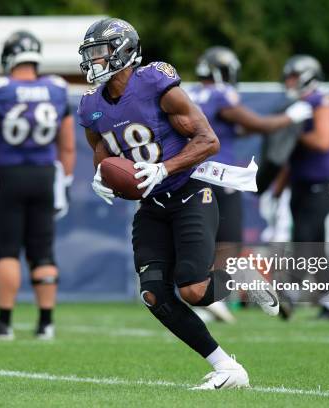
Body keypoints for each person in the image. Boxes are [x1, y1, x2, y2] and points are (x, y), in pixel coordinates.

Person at [78, 18, 277, 390]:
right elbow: (103, 149)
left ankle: (240, 278)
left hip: (189, 191)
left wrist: (164, 168)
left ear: (123, 51)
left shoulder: (155, 83)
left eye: (100, 53)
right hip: (152, 205)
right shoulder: (91, 105)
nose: (94, 61)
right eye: (90, 54)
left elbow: (208, 140)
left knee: (193, 290)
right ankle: (227, 368)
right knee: (154, 293)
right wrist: (101, 174)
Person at [0, 31, 75, 340]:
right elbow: (67, 147)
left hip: (9, 176)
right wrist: (64, 181)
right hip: (44, 177)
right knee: (43, 252)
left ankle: (4, 323)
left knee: (8, 252)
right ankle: (46, 324)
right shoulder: (55, 89)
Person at [188, 46, 312, 322]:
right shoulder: (221, 94)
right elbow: (257, 124)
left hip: (192, 175)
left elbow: (233, 128)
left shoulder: (188, 95)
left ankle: (205, 299)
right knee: (229, 241)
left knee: (200, 238)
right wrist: (291, 117)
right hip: (221, 175)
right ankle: (213, 297)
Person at [274, 55, 329, 320]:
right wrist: (278, 188)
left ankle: (289, 293)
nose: (289, 81)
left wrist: (291, 130)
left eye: (293, 76)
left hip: (321, 182)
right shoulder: (299, 104)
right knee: (315, 243)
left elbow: (324, 140)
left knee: (305, 237)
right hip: (301, 182)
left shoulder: (320, 99)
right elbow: (290, 156)